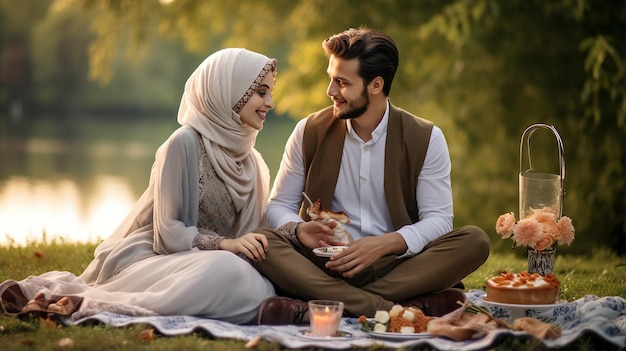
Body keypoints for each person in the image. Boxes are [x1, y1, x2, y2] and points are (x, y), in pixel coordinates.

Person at [0, 48, 278, 324]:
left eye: (270, 93)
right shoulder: (184, 144)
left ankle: (210, 297)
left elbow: (252, 236)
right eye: (261, 92)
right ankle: (90, 303)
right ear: (228, 90)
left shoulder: (253, 162)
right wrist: (226, 245)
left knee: (256, 285)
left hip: (212, 265)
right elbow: (168, 234)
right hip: (160, 257)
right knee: (229, 270)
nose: (270, 103)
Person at [253, 27, 491, 325]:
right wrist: (299, 231)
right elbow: (279, 206)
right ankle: (394, 307)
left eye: (342, 82)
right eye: (331, 79)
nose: (331, 91)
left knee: (475, 240)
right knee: (263, 241)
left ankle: (315, 304)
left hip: (397, 266)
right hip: (324, 263)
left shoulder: (426, 137)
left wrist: (385, 243)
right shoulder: (308, 131)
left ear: (376, 84)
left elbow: (440, 220)